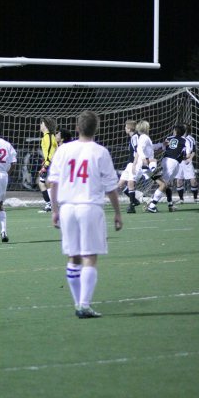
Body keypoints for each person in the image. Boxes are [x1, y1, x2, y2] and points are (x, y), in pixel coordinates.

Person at [49, 110, 122, 319]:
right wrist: (118, 213)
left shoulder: (63, 150)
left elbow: (53, 183)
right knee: (89, 257)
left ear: (77, 128)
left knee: (74, 256)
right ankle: (84, 304)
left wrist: (55, 210)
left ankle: (78, 303)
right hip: (89, 206)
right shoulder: (100, 152)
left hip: (67, 208)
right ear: (96, 128)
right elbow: (111, 188)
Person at [146, 124, 189, 213]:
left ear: (175, 131)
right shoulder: (185, 140)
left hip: (166, 160)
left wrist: (153, 155)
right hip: (173, 162)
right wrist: (183, 157)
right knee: (164, 184)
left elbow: (162, 149)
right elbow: (186, 155)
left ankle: (170, 205)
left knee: (167, 184)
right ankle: (152, 205)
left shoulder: (169, 138)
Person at [126, 120, 162, 214]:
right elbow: (139, 150)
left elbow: (146, 148)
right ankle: (147, 205)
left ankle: (149, 204)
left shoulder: (143, 137)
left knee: (163, 184)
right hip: (143, 166)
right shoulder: (143, 137)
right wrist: (140, 161)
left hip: (144, 166)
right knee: (130, 184)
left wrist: (162, 145)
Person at [117, 120, 140, 209]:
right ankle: (134, 200)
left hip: (135, 163)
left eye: (126, 127)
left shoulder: (135, 137)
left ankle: (132, 205)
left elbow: (138, 151)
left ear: (129, 129)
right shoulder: (132, 137)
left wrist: (135, 163)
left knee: (130, 183)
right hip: (129, 164)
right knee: (120, 184)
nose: (125, 129)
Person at [38, 117, 58, 212]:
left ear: (45, 125)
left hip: (51, 164)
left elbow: (50, 152)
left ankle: (50, 205)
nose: (40, 125)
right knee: (44, 183)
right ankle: (51, 204)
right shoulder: (48, 136)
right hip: (50, 163)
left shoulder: (48, 137)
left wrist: (45, 165)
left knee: (43, 183)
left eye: (41, 124)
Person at [175, 123, 199, 203]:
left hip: (187, 162)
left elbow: (194, 151)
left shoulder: (190, 139)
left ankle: (195, 198)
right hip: (179, 162)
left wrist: (190, 158)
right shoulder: (177, 138)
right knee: (179, 180)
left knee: (193, 180)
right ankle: (181, 199)